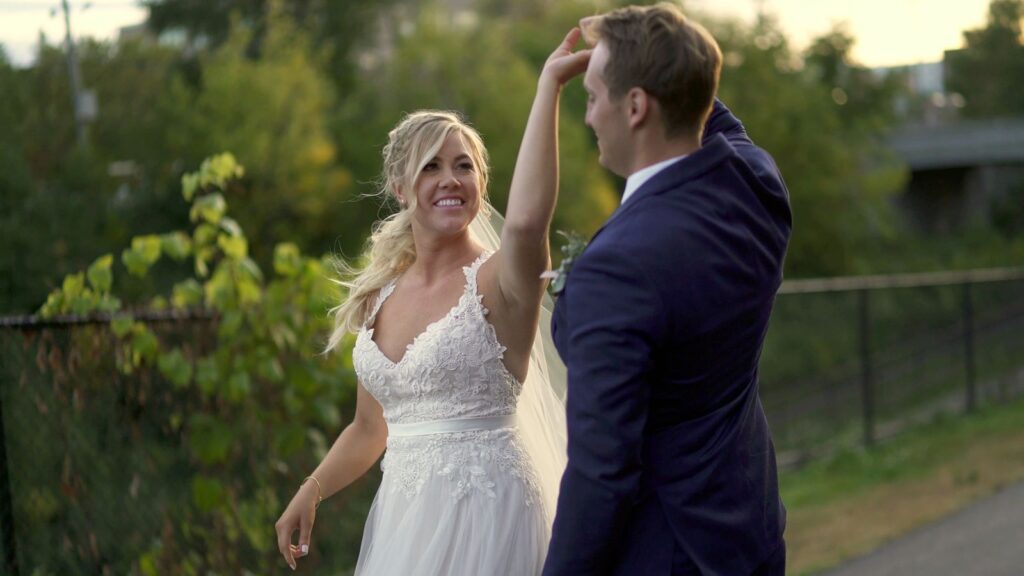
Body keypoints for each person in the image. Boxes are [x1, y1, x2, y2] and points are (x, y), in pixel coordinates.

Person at [273, 30, 590, 574]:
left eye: (464, 166)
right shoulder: (378, 298)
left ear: (481, 181)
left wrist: (549, 87)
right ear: (400, 186)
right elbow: (370, 428)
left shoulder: (498, 281)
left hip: (492, 515)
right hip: (406, 519)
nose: (451, 179)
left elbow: (530, 219)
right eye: (431, 166)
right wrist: (311, 490)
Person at [542, 4, 792, 576]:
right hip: (749, 531)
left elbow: (600, 475)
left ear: (634, 106)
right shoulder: (757, 186)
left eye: (591, 96)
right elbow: (702, 102)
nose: (586, 117)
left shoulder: (616, 270)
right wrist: (645, 33)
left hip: (671, 552)